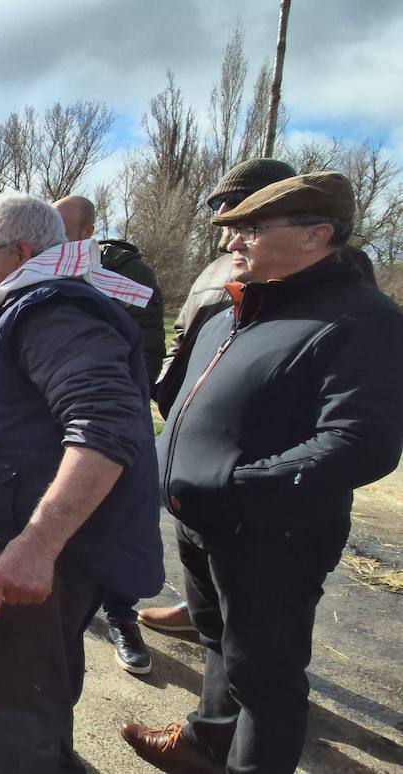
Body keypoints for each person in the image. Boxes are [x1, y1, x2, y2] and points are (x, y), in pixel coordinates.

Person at [122, 173, 403, 774]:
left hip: (273, 535)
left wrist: (233, 488)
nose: (231, 245)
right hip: (202, 524)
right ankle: (204, 745)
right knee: (219, 644)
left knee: (266, 681)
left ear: (317, 236)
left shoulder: (361, 319)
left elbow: (362, 444)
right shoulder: (237, 309)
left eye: (249, 230)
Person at [0, 193, 163, 772]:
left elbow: (106, 425)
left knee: (11, 706)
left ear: (21, 251)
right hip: (43, 544)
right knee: (40, 683)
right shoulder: (28, 305)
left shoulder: (49, 309)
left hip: (48, 550)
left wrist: (37, 544)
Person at [140, 157, 298, 636]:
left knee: (256, 619)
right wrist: (170, 385)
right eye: (220, 207)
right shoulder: (220, 266)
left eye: (236, 206)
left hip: (248, 457)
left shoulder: (296, 272)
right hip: (191, 423)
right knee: (198, 554)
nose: (224, 217)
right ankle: (197, 612)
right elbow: (184, 331)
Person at [53, 195, 166, 676]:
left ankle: (122, 615)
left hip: (110, 420)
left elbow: (147, 351)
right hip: (59, 419)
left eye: (64, 231)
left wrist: (112, 406)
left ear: (88, 231)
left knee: (115, 519)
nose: (54, 241)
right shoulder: (49, 270)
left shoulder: (127, 276)